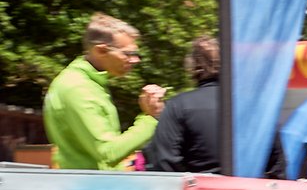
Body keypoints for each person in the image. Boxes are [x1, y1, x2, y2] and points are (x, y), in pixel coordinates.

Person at [43, 13, 165, 170]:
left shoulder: (87, 82)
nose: (136, 60)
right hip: (89, 184)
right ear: (100, 51)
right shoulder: (78, 88)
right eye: (127, 54)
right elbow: (108, 153)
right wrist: (150, 118)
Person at [145, 36, 221, 174]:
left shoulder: (178, 105)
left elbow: (163, 162)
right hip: (250, 185)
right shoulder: (250, 106)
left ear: (193, 66)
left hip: (200, 186)